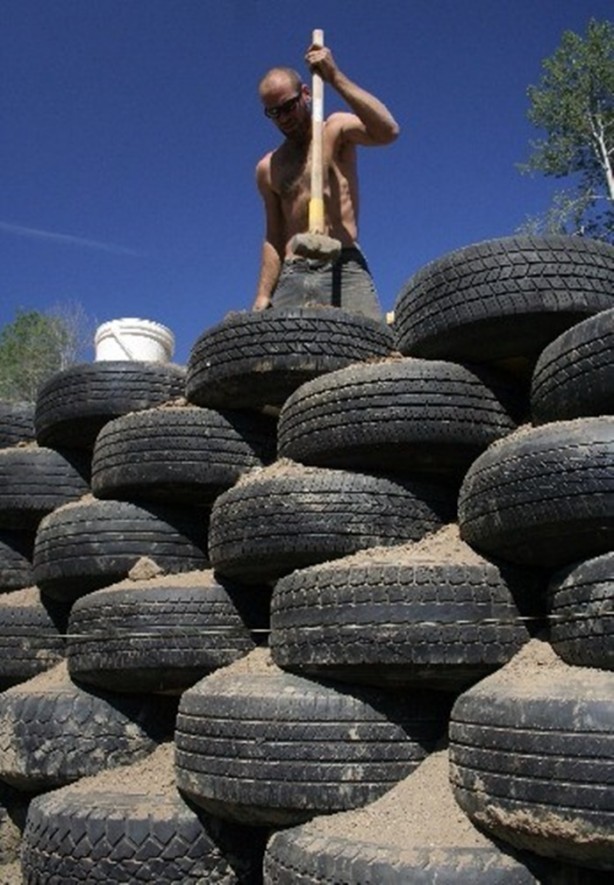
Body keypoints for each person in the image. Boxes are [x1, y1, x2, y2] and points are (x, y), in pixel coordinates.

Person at [251, 38, 399, 320]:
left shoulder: (336, 129)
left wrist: (335, 77)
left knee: (370, 353)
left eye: (288, 106)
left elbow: (388, 131)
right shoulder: (268, 167)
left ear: (305, 93)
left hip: (344, 263)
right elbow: (273, 236)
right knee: (283, 360)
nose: (283, 118)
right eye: (274, 112)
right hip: (294, 273)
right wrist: (262, 295)